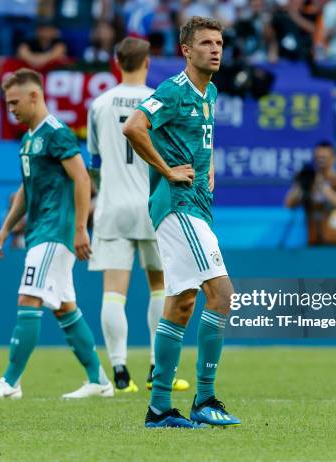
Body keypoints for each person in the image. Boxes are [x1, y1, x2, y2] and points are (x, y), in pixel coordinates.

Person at [123, 16, 241, 428]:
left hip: (196, 203)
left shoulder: (209, 93)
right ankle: (205, 398)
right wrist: (168, 170)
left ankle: (159, 409)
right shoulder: (173, 90)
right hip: (178, 204)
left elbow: (200, 139)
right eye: (206, 43)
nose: (215, 49)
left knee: (181, 302)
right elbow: (134, 127)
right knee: (222, 294)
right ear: (186, 51)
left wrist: (208, 169)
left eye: (220, 43)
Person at [0, 68, 113, 400]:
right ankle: (98, 380)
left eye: (15, 102)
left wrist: (80, 228)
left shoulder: (57, 133)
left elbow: (82, 179)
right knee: (65, 308)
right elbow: (27, 187)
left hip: (55, 232)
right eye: (8, 105)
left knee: (29, 298)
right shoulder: (29, 138)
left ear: (35, 96)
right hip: (40, 231)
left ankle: (10, 383)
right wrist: (6, 228)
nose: (11, 110)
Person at [87, 37, 190, 394]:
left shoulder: (99, 104)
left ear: (116, 62)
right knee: (160, 286)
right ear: (147, 63)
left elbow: (95, 163)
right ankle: (154, 369)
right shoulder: (156, 100)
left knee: (114, 293)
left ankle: (118, 370)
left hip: (112, 206)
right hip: (152, 205)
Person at [284, 141, 336, 246]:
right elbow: (289, 204)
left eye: (324, 158)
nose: (321, 161)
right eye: (318, 158)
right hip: (314, 242)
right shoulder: (309, 181)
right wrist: (300, 184)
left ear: (333, 158)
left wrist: (322, 186)